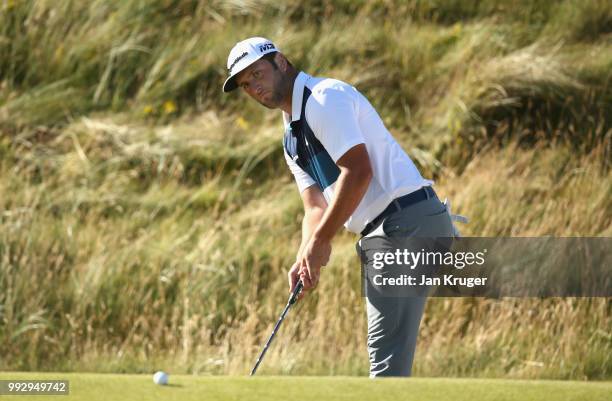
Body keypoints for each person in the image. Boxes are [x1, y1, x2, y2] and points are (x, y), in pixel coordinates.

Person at [222, 37, 456, 377]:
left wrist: (322, 242)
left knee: (385, 358)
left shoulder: (323, 99)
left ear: (281, 63)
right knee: (388, 353)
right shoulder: (290, 135)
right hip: (395, 227)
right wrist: (305, 255)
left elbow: (358, 170)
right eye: (245, 84)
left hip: (406, 220)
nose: (253, 87)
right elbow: (314, 206)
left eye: (257, 74)